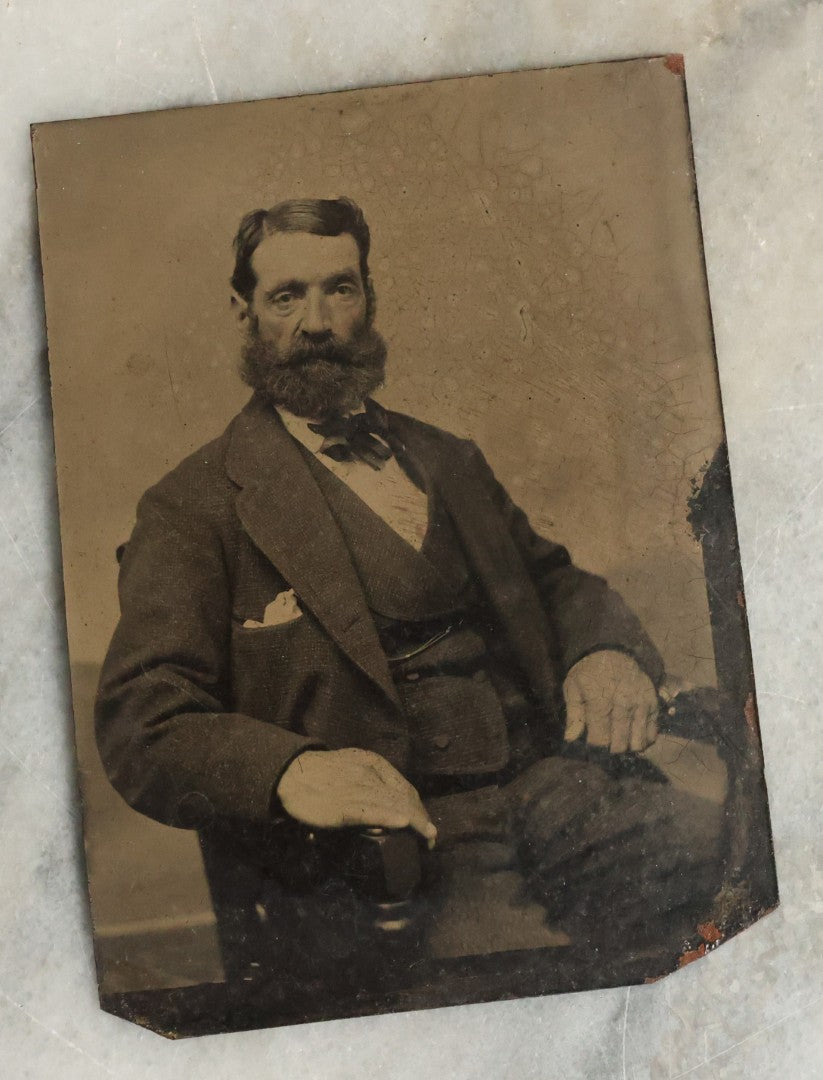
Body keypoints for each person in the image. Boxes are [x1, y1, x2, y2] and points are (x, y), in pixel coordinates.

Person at [95, 197, 726, 992]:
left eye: (341, 289)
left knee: (737, 861)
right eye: (287, 296)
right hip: (394, 845)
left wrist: (603, 650)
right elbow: (141, 717)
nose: (317, 322)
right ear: (244, 313)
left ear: (370, 299)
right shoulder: (194, 506)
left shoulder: (448, 459)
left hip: (558, 787)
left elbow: (555, 582)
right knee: (517, 990)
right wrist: (291, 770)